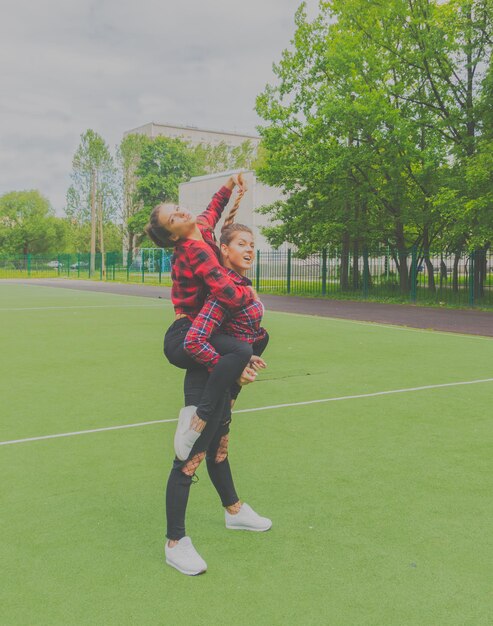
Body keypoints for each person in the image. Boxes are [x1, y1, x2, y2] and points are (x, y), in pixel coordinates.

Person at [165, 223, 272, 576]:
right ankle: (175, 543)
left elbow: (248, 339)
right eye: (241, 243)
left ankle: (234, 511)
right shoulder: (221, 291)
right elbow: (197, 340)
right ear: (223, 250)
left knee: (220, 450)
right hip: (204, 382)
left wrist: (245, 363)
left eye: (252, 244)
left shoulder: (242, 287)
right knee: (189, 460)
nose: (249, 249)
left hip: (225, 383)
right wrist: (236, 363)